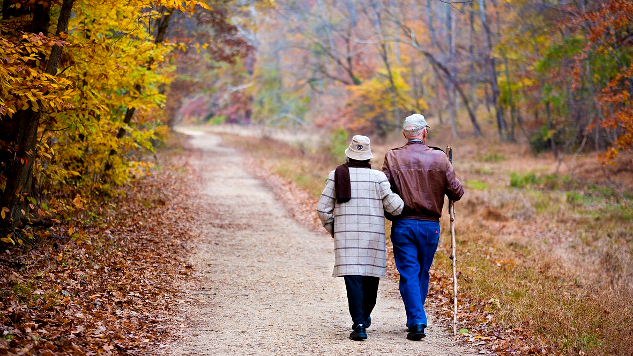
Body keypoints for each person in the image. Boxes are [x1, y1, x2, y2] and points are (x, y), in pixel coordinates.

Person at [382, 114, 464, 341]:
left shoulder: (392, 157)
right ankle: (417, 319)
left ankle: (416, 319)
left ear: (404, 134)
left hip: (403, 223)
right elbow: (457, 192)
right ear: (424, 133)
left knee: (409, 272)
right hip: (430, 226)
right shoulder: (439, 158)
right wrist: (446, 171)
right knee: (420, 272)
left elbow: (383, 188)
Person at [317, 135, 404, 341]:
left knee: (353, 280)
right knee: (370, 280)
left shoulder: (336, 175)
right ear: (368, 158)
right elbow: (396, 208)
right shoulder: (378, 178)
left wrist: (335, 229)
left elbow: (323, 209)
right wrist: (399, 195)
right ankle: (363, 318)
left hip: (346, 239)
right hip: (372, 237)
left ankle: (359, 324)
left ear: (349, 155)